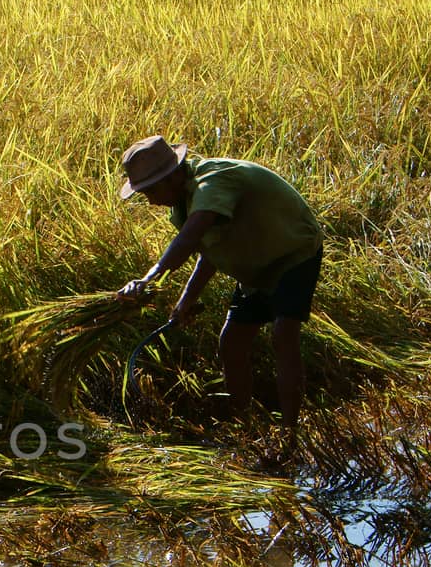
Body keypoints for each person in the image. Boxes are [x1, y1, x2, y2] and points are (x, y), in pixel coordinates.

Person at [116, 135, 323, 439]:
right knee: (232, 343)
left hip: (292, 252)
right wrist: (186, 300)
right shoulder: (182, 205)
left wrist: (149, 279)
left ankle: (288, 435)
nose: (151, 201)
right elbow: (209, 253)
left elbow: (189, 238)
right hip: (255, 267)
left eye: (151, 191)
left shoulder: (213, 181)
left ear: (172, 175)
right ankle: (244, 429)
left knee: (283, 334)